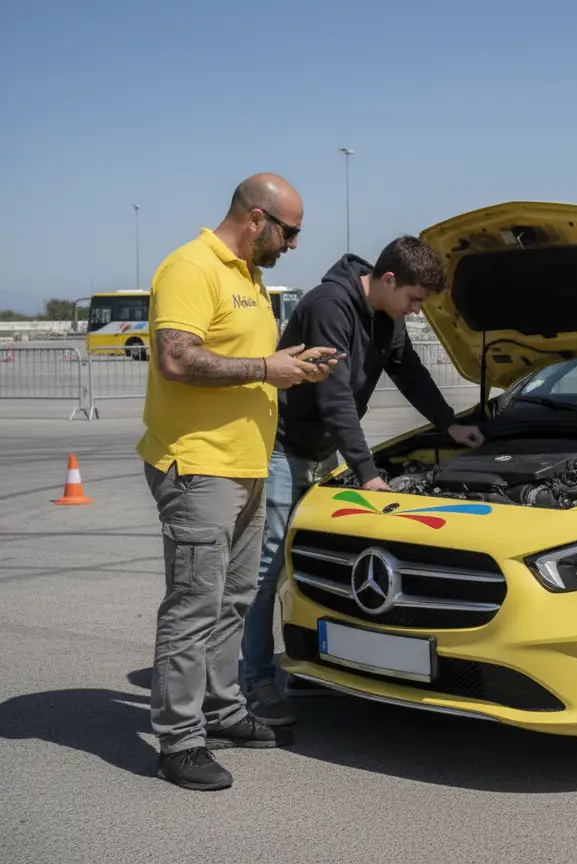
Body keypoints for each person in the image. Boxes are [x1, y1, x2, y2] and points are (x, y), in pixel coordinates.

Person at [138, 173, 339, 792]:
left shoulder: (248, 278)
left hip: (248, 465)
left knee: (234, 600)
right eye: (291, 231)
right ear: (257, 218)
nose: (296, 244)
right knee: (193, 605)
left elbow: (250, 368)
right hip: (200, 467)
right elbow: (175, 358)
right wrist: (264, 366)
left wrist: (291, 368)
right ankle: (179, 738)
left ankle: (222, 712)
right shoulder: (191, 267)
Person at [240, 236, 484, 725]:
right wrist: (368, 475)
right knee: (269, 569)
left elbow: (408, 370)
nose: (416, 311)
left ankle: (312, 664)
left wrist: (448, 423)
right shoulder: (330, 306)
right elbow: (335, 399)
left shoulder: (386, 316)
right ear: (388, 280)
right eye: (414, 300)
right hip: (286, 449)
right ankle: (255, 681)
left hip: (324, 450)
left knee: (318, 562)